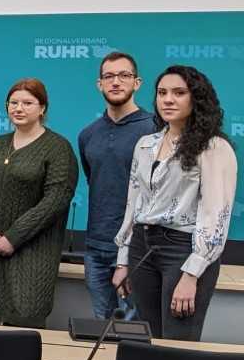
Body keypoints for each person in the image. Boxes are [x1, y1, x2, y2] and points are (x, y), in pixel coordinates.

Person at [114, 65, 237, 340]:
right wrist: (123, 260)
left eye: (179, 93)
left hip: (183, 249)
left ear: (196, 98)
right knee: (147, 340)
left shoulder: (214, 147)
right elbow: (134, 204)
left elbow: (216, 215)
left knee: (177, 344)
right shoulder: (145, 144)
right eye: (162, 93)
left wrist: (193, 274)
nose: (168, 100)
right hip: (142, 246)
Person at [0, 78, 79, 328]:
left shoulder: (58, 148)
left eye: (27, 103)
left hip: (33, 251)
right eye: (13, 103)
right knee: (1, 322)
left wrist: (13, 237)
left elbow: (56, 199)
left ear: (42, 108)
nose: (18, 108)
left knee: (26, 319)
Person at [77, 52, 157, 319]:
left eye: (124, 75)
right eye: (109, 76)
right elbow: (95, 179)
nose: (116, 82)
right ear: (99, 84)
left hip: (139, 249)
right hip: (96, 248)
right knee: (103, 329)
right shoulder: (88, 134)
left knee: (136, 332)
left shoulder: (156, 130)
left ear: (137, 83)